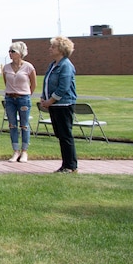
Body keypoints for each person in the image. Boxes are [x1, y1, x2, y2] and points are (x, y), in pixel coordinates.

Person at [39, 36, 78, 173]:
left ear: (61, 49)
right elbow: (47, 82)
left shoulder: (66, 65)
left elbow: (64, 87)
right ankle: (65, 164)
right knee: (60, 135)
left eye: (53, 47)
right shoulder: (53, 65)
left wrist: (51, 100)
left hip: (64, 105)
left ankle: (71, 165)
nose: (50, 49)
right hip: (54, 105)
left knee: (65, 135)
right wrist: (44, 97)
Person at [3, 41, 37, 163]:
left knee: (24, 124)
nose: (10, 53)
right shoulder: (6, 67)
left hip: (23, 98)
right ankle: (15, 150)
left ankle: (24, 151)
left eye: (13, 51)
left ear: (20, 53)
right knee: (12, 124)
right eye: (9, 51)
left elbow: (33, 84)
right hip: (10, 98)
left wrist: (26, 94)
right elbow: (6, 82)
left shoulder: (28, 67)